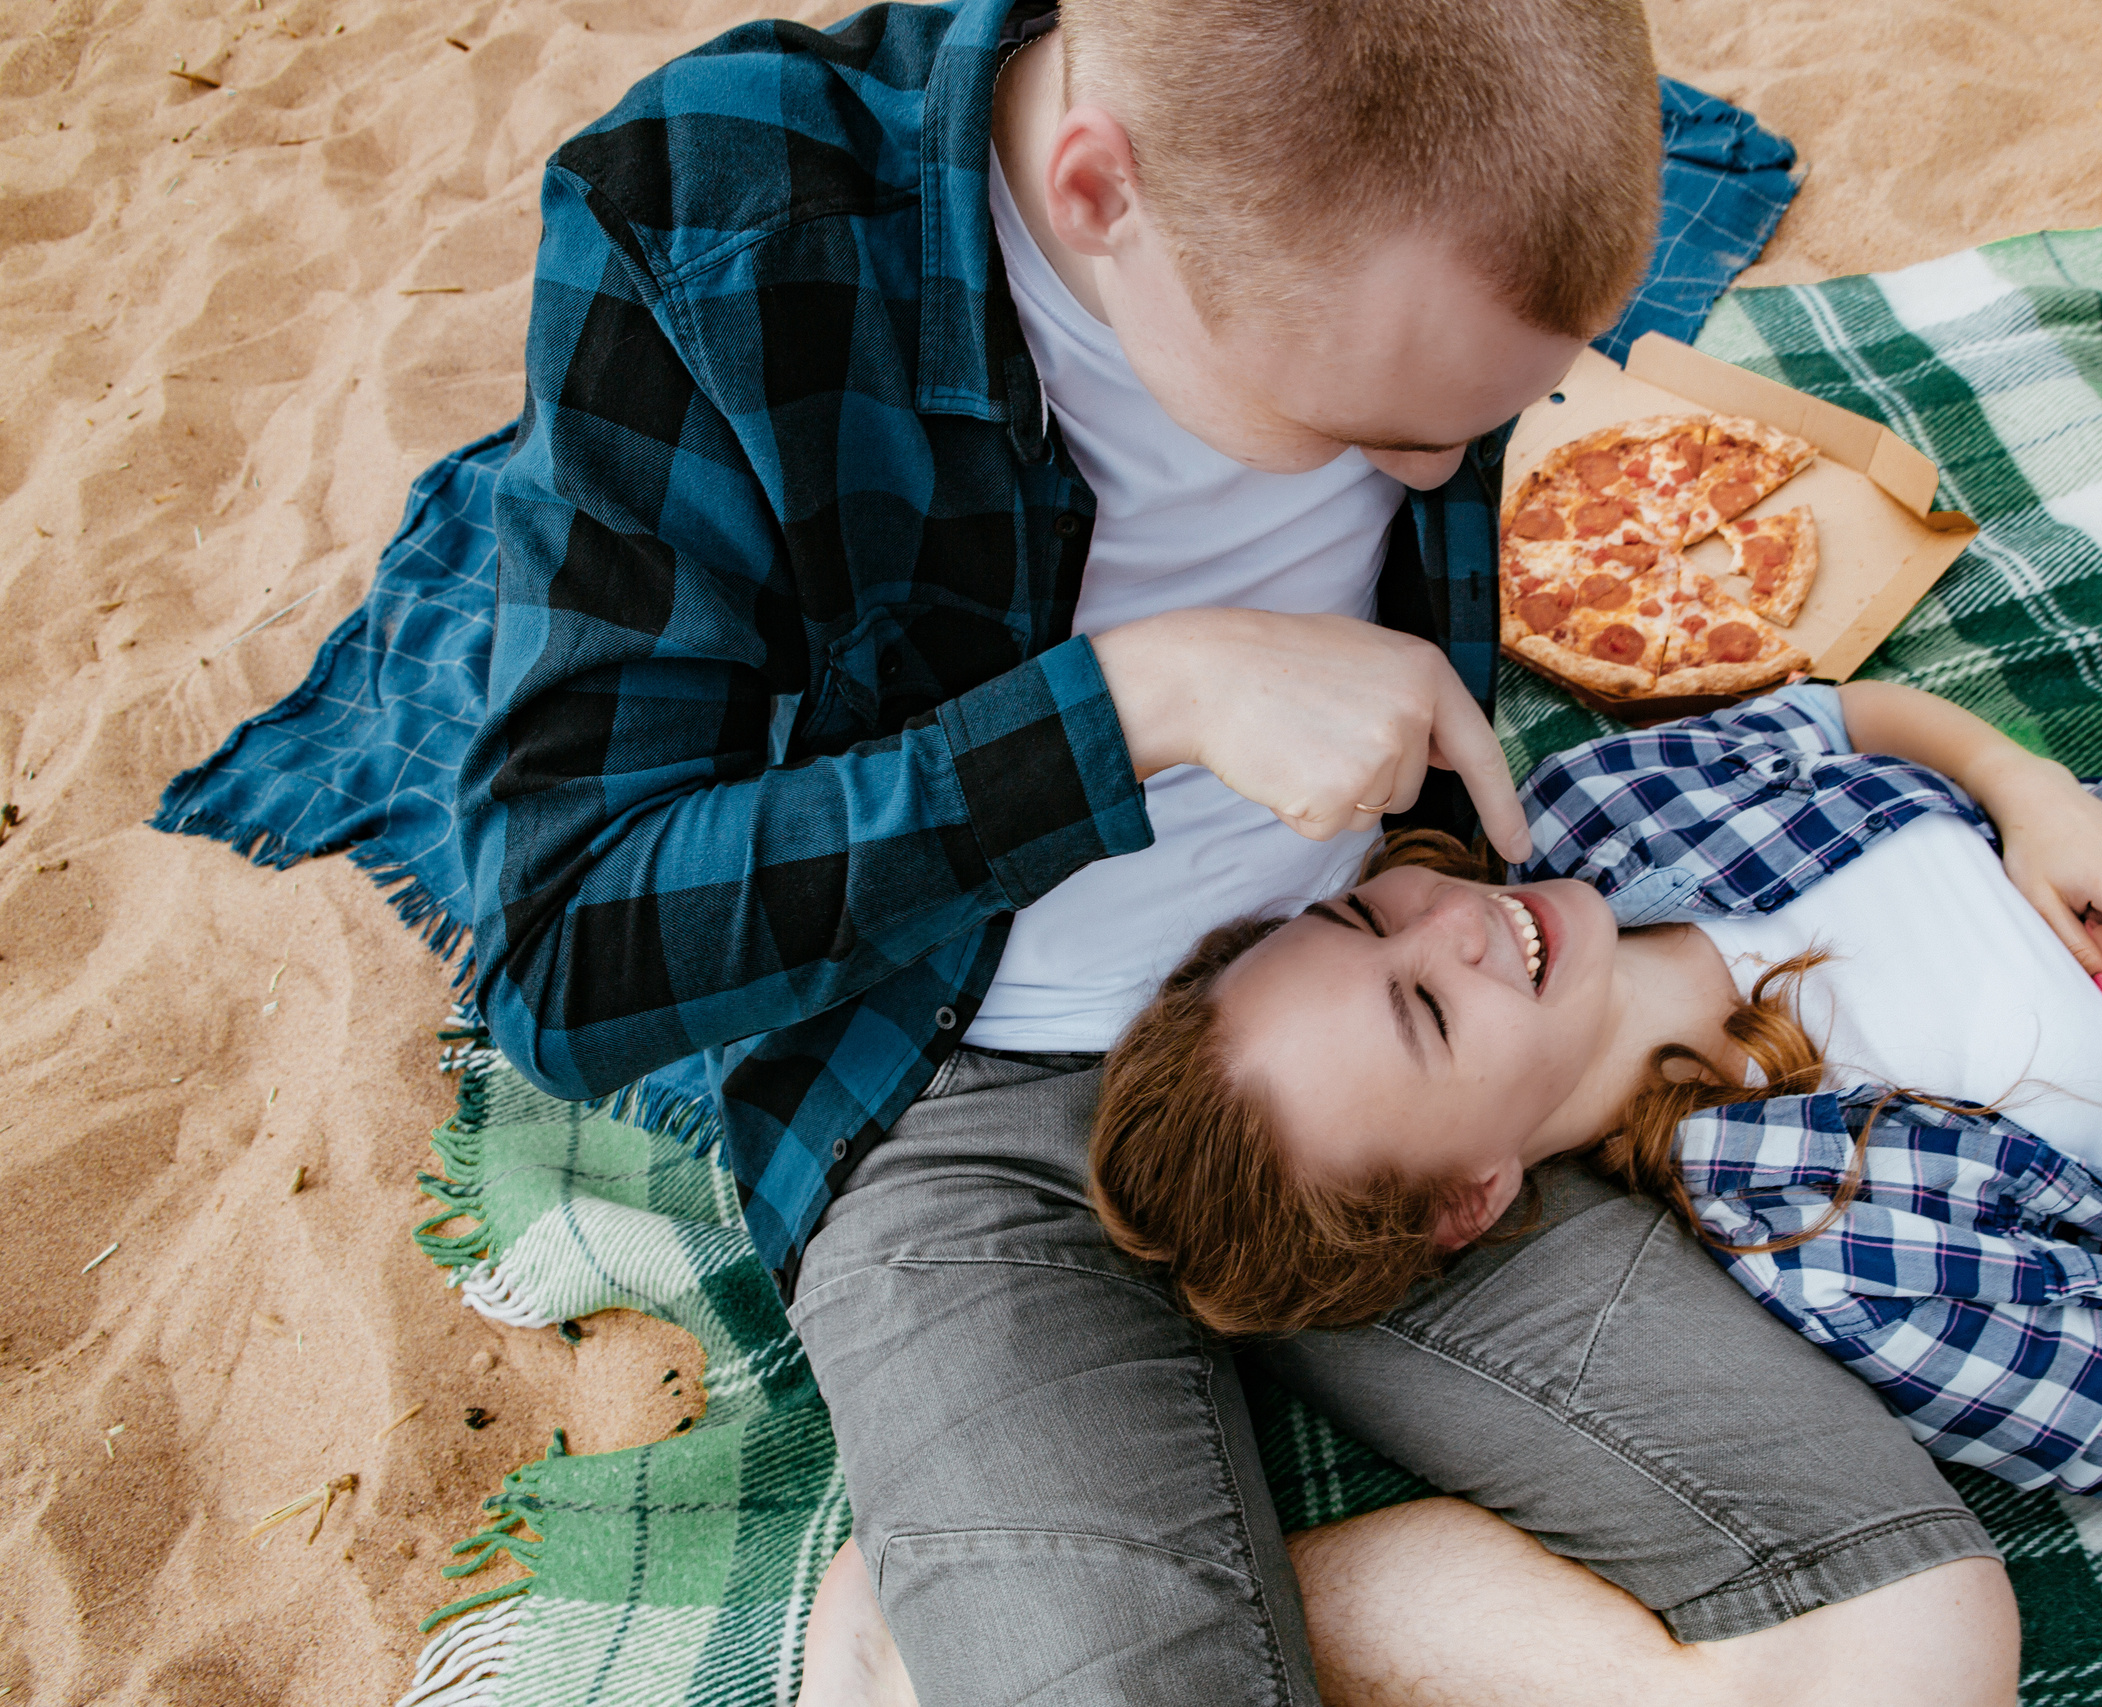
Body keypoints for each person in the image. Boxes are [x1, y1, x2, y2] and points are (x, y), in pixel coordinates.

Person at [455, 0, 2020, 1701]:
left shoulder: (1445, 140)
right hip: (934, 1093)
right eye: (1371, 429)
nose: (1445, 470)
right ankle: (1038, 1571)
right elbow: (565, 952)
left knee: (1915, 1641)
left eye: (1482, 423)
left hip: (1381, 1016)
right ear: (1098, 187)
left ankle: (1009, 1584)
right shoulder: (721, 211)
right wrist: (1134, 704)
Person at [1094, 614, 2102, 1578]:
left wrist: (2030, 788)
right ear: (1472, 1192)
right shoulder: (1829, 1247)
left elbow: (1847, 717)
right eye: (1424, 1013)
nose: (1453, 926)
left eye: (1365, 922)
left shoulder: (1597, 805)